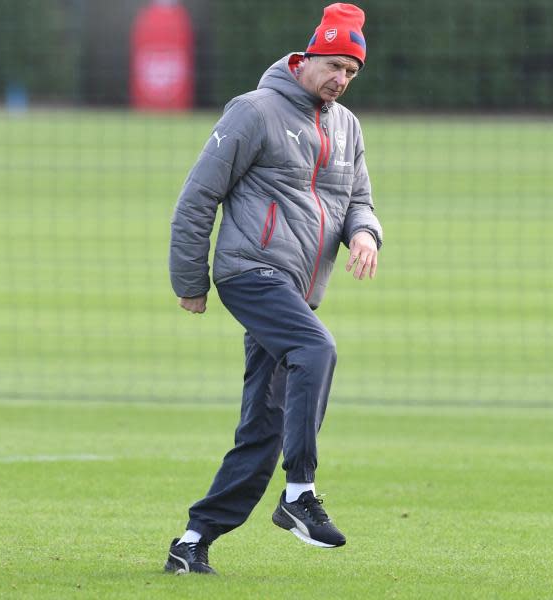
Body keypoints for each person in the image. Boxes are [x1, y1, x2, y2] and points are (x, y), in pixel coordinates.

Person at [164, 3, 382, 575]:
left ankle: (192, 540)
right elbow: (196, 198)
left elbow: (360, 200)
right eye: (335, 65)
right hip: (249, 271)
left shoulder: (348, 126)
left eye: (351, 72)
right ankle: (300, 492)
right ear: (308, 57)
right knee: (317, 348)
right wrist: (191, 281)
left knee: (262, 426)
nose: (341, 79)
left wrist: (365, 235)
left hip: (298, 291)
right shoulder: (253, 111)